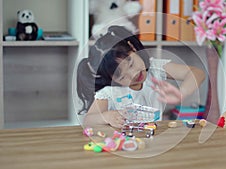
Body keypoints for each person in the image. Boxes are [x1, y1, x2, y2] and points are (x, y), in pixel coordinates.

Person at [77, 26, 205, 128]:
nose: (133, 75)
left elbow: (197, 73)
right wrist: (106, 117)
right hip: (123, 146)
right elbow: (89, 120)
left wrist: (181, 93)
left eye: (131, 64)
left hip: (152, 140)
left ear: (132, 47)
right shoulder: (110, 91)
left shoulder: (155, 69)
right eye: (122, 77)